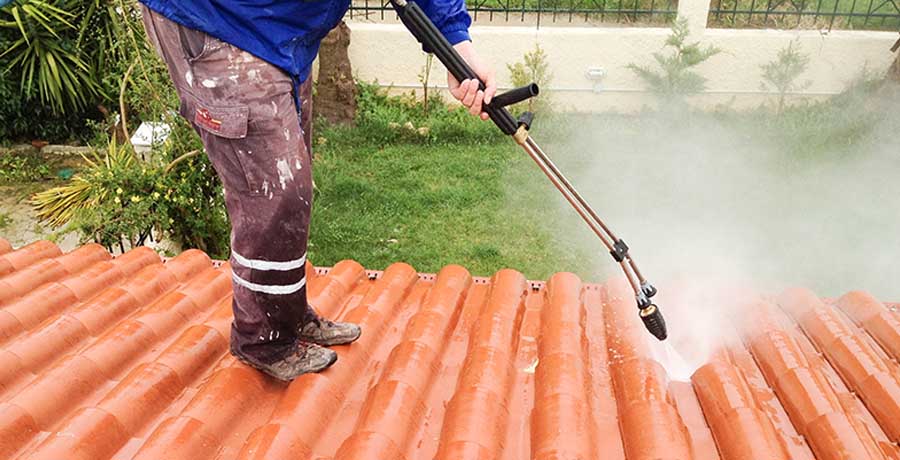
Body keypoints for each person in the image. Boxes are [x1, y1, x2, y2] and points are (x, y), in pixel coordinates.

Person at [139, 0, 497, 381]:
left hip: (282, 27)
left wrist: (456, 45)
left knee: (291, 182)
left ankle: (285, 316)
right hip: (217, 19)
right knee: (275, 191)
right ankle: (262, 338)